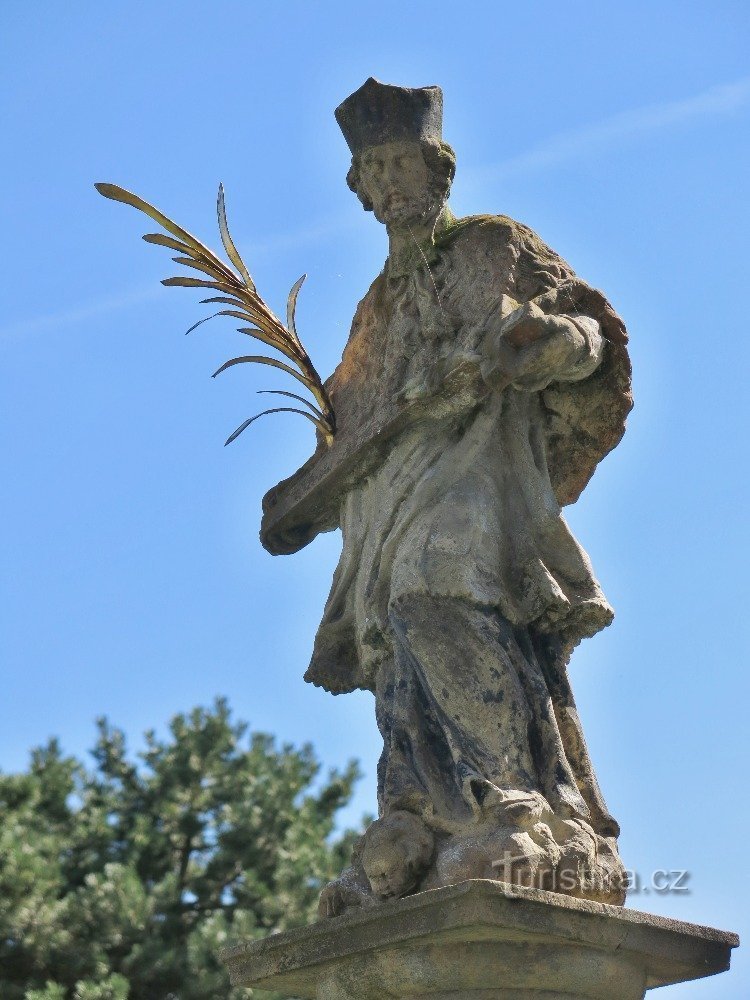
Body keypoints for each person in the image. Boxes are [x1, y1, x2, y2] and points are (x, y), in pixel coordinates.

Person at [261, 79, 633, 913]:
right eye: (372, 170)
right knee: (395, 641)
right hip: (385, 503)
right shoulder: (375, 308)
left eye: (400, 162)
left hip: (479, 476)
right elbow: (348, 438)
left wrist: (546, 346)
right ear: (358, 190)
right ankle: (424, 816)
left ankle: (517, 800)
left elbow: (592, 336)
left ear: (439, 167)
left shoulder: (494, 248)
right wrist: (296, 504)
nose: (389, 183)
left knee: (439, 590)